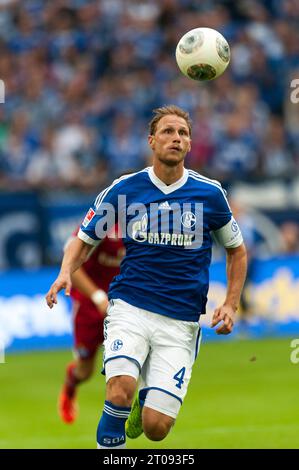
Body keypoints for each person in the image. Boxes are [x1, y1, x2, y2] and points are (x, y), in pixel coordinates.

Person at [46, 105, 247, 448]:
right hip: (130, 307)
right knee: (120, 388)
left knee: (156, 428)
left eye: (183, 133)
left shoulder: (210, 194)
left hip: (180, 320)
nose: (176, 138)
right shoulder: (125, 190)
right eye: (168, 131)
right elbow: (84, 239)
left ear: (190, 144)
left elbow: (237, 251)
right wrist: (66, 272)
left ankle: (148, 402)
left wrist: (230, 303)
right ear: (152, 141)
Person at [58, 224, 125, 424]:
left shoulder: (148, 221)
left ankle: (134, 408)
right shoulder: (103, 219)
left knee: (128, 361)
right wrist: (97, 297)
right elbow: (71, 263)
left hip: (124, 304)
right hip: (89, 305)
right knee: (84, 371)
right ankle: (70, 386)